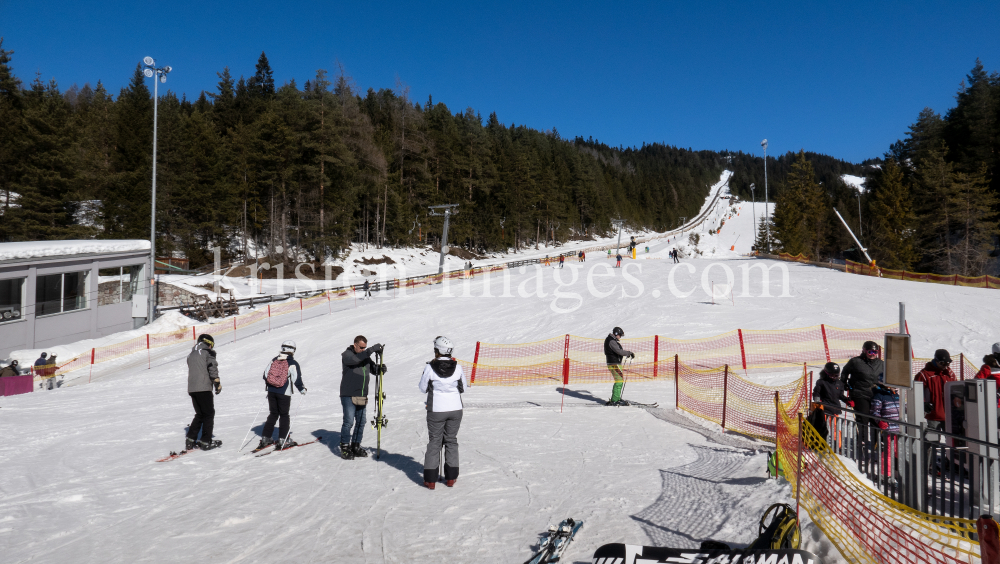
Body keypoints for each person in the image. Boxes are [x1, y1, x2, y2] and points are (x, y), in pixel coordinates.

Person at [419, 336, 469, 489]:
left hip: (437, 409)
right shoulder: (458, 368)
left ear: (437, 350)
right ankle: (451, 478)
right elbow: (464, 388)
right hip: (455, 409)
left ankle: (431, 480)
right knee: (451, 440)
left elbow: (422, 388)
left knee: (435, 441)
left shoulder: (429, 367)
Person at [340, 335, 386, 460]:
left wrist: (379, 368)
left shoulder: (365, 357)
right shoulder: (347, 355)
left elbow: (372, 369)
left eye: (364, 347)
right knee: (349, 422)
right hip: (348, 394)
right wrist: (370, 350)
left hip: (362, 394)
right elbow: (355, 360)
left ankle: (355, 445)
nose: (363, 349)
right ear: (355, 345)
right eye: (361, 347)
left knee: (361, 422)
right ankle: (344, 446)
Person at [257, 340, 307, 451]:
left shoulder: (274, 360)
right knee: (284, 415)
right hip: (284, 393)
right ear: (293, 350)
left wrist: (271, 386)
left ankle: (265, 438)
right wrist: (302, 389)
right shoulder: (292, 363)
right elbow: (296, 379)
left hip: (271, 391)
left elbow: (265, 375)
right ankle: (282, 440)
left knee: (273, 414)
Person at [186, 334, 221, 451]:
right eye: (211, 344)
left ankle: (190, 439)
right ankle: (205, 441)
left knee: (199, 414)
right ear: (208, 343)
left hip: (192, 388)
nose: (211, 347)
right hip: (204, 388)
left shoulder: (190, 355)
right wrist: (217, 382)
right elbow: (212, 367)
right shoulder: (208, 353)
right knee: (209, 414)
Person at [914, 349, 957, 431]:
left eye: (947, 363)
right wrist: (923, 403)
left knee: (951, 440)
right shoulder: (924, 374)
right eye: (942, 363)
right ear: (936, 361)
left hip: (949, 414)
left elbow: (956, 390)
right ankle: (929, 444)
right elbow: (916, 392)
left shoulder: (950, 374)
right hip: (933, 414)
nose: (945, 366)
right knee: (933, 439)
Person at [870, 384, 901, 480]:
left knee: (899, 451)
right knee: (889, 451)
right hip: (889, 429)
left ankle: (897, 471)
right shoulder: (879, 396)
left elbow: (904, 408)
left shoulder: (897, 396)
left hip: (899, 429)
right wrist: (879, 421)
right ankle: (885, 474)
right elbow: (874, 411)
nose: (895, 387)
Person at [604, 327, 634, 405]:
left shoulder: (611, 340)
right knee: (619, 381)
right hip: (614, 364)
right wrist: (629, 353)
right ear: (616, 333)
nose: (620, 337)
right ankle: (614, 400)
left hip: (615, 363)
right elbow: (618, 351)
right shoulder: (611, 341)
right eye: (620, 335)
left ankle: (617, 398)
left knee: (620, 381)